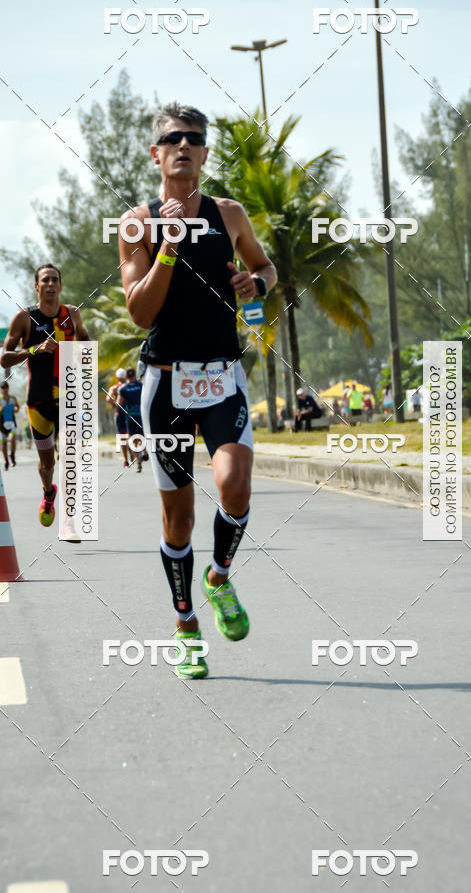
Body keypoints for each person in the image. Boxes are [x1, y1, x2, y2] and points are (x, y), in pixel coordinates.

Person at [118, 102, 277, 679]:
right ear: (157, 154)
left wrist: (253, 279)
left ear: (206, 153)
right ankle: (185, 625)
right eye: (173, 138)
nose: (184, 145)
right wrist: (168, 247)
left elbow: (266, 268)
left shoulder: (230, 213)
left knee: (234, 486)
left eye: (194, 138)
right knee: (178, 520)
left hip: (222, 376)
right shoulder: (137, 223)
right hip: (164, 384)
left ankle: (218, 578)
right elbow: (140, 312)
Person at [0, 264, 90, 528]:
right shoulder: (24, 318)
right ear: (36, 286)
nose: (50, 284)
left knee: (71, 454)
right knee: (46, 464)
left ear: (60, 286)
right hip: (38, 402)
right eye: (45, 280)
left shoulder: (72, 315)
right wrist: (33, 349)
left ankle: (71, 516)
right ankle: (49, 493)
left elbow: (85, 340)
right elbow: (5, 359)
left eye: (54, 280)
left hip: (69, 399)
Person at [117, 367, 144, 473]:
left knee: (132, 439)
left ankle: (138, 463)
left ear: (126, 376)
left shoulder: (123, 388)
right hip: (141, 415)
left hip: (130, 416)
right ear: (135, 374)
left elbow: (119, 403)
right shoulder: (141, 385)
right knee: (142, 436)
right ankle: (144, 452)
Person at [0, 381, 20, 469]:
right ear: (0, 389)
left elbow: (18, 407)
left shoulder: (13, 398)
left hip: (11, 422)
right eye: (3, 388)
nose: (5, 389)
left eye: (6, 387)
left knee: (12, 439)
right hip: (2, 424)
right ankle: (6, 461)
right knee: (3, 445)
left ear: (8, 388)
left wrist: (16, 409)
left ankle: (12, 455)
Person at [107, 367, 130, 466]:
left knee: (122, 437)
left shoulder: (115, 387)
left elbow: (108, 399)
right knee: (131, 434)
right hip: (130, 412)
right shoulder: (129, 385)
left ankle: (126, 460)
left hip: (120, 412)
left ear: (117, 377)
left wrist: (115, 404)